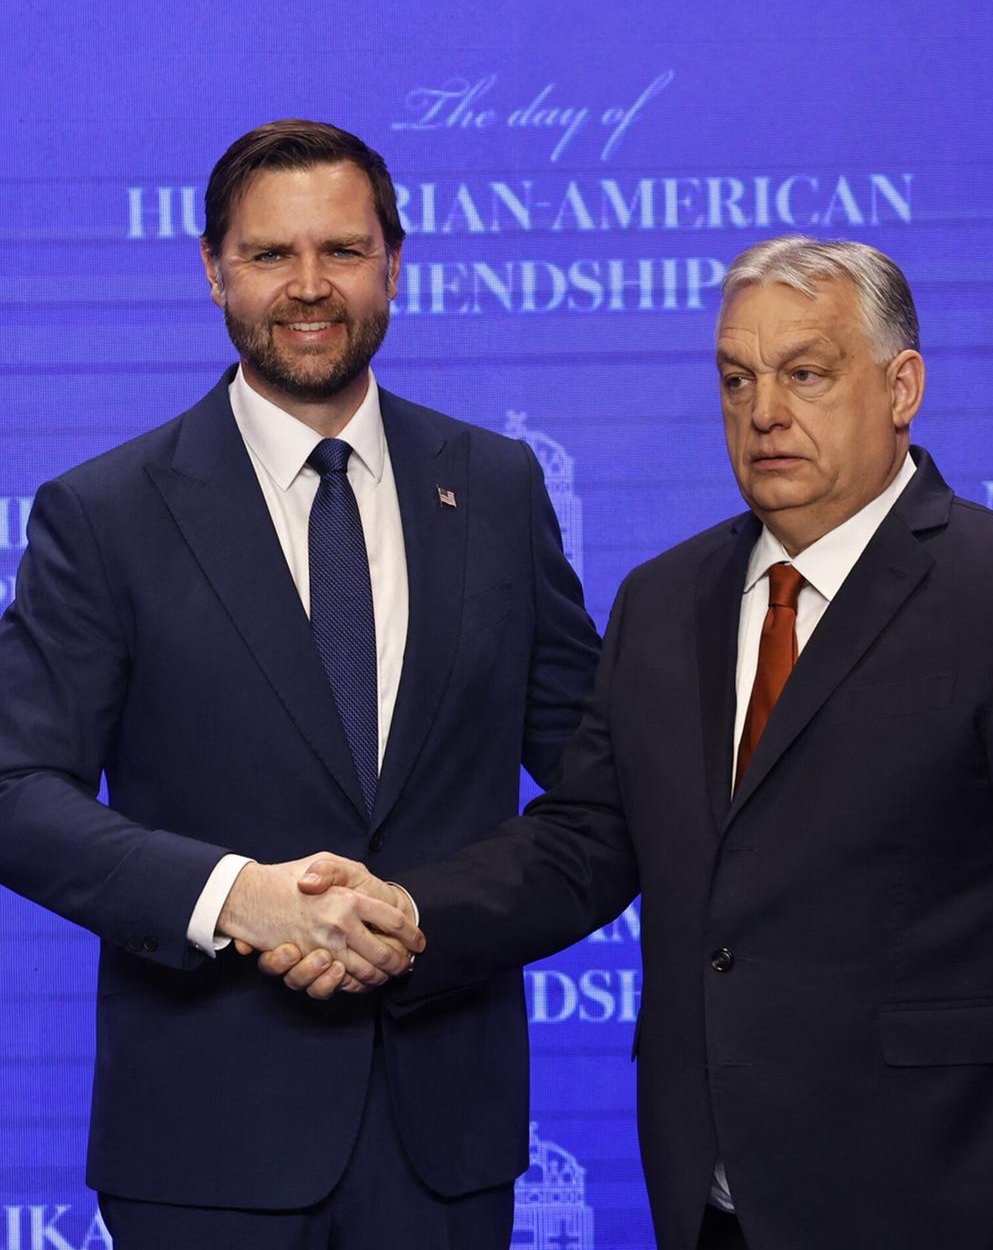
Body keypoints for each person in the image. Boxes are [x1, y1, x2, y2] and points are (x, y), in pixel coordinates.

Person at [269, 235, 993, 1250]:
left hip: (955, 1190)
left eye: (806, 374)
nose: (764, 411)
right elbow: (585, 841)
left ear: (902, 386)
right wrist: (403, 913)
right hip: (716, 1196)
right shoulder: (665, 600)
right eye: (737, 379)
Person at [0, 119, 600, 1249]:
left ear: (395, 265)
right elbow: (13, 786)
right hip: (202, 1150)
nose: (310, 287)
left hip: (444, 1144)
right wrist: (237, 898)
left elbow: (602, 792)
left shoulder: (499, 487)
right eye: (271, 254)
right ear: (213, 269)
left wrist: (421, 919)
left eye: (344, 250)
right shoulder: (106, 513)